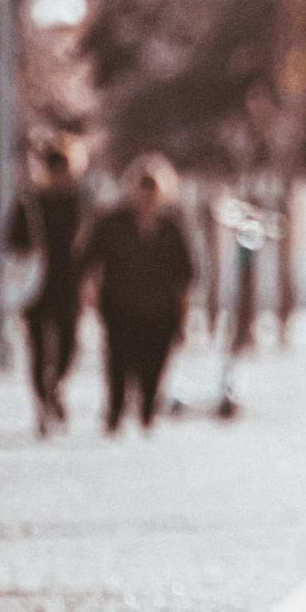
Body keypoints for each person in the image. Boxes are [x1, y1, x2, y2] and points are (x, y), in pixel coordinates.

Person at [79, 155, 195, 435]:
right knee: (118, 363)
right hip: (120, 307)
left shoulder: (171, 228)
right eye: (141, 187)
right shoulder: (113, 224)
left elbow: (185, 274)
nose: (146, 195)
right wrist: (88, 289)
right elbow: (89, 259)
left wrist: (183, 315)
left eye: (152, 188)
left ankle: (146, 411)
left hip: (161, 312)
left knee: (153, 365)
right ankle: (115, 413)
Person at [6, 141, 88, 436]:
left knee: (68, 345)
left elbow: (88, 246)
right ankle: (42, 401)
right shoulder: (30, 203)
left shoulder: (79, 202)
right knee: (39, 348)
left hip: (68, 283)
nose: (58, 174)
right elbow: (11, 240)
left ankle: (55, 388)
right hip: (36, 285)